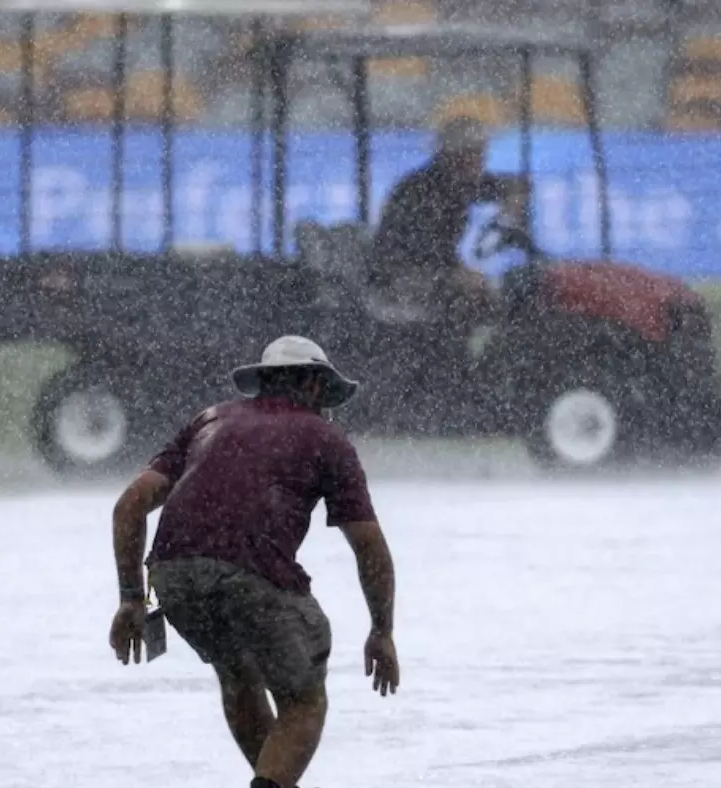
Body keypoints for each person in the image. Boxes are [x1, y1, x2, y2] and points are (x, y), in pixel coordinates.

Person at [108, 335, 399, 788]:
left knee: (239, 676)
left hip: (173, 574)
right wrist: (382, 631)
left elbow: (129, 506)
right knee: (304, 699)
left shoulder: (208, 420)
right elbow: (369, 546)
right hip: (252, 572)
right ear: (313, 385)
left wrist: (130, 600)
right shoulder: (326, 438)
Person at [370, 117, 531, 329]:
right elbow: (423, 248)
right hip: (399, 277)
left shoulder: (458, 184)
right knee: (472, 299)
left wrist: (513, 196)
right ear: (456, 156)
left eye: (481, 154)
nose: (481, 161)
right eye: (475, 154)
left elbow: (501, 186)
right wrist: (457, 273)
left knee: (502, 294)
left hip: (430, 271)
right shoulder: (421, 191)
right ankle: (456, 351)